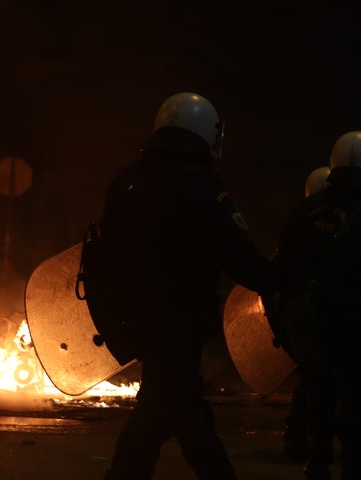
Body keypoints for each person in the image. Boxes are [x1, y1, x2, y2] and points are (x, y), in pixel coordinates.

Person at [96, 92, 277, 480]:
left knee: (183, 412)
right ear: (204, 134)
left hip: (132, 321)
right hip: (178, 322)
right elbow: (236, 251)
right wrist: (276, 281)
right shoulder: (201, 185)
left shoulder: (127, 181)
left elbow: (104, 250)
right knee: (159, 414)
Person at [273, 131, 361, 480]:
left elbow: (283, 270)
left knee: (318, 396)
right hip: (355, 325)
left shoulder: (306, 210)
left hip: (314, 323)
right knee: (355, 403)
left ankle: (316, 464)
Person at [277, 165, 330, 464]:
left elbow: (283, 266)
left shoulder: (301, 217)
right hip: (332, 312)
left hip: (304, 313)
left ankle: (297, 440)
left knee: (311, 377)